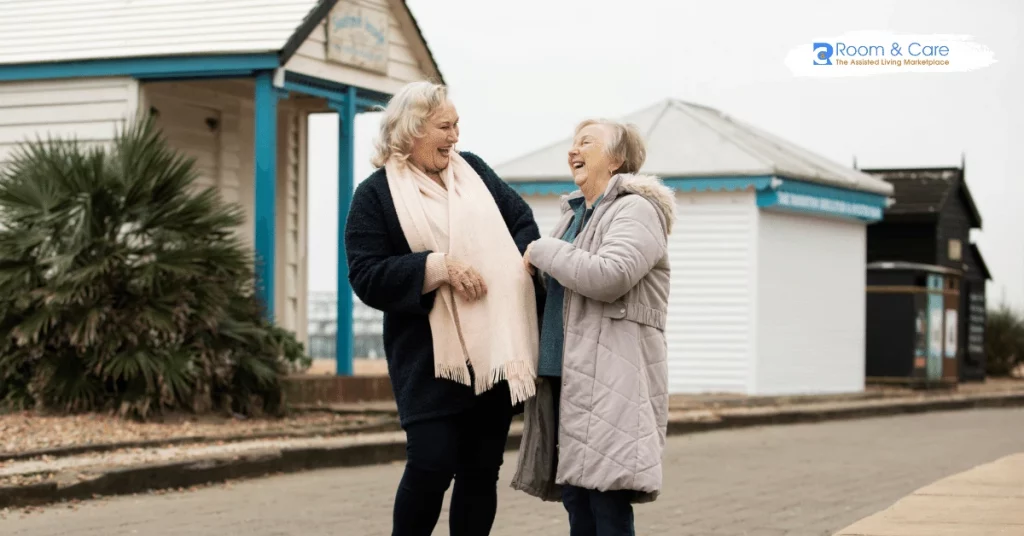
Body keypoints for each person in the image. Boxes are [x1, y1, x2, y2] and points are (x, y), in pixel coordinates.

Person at [345, 81, 543, 536]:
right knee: (431, 464)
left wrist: (510, 265)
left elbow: (521, 221)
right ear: (411, 131)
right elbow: (366, 275)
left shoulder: (473, 170)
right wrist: (437, 268)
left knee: (480, 470)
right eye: (444, 126)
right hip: (429, 359)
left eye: (457, 126)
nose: (455, 136)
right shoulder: (374, 194)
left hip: (492, 351)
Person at [512, 118, 673, 535]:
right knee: (578, 503)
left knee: (607, 504)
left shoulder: (635, 209)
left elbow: (610, 275)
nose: (573, 150)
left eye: (586, 142)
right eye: (572, 143)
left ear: (617, 159)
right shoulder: (575, 215)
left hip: (612, 382)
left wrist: (544, 250)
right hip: (569, 380)